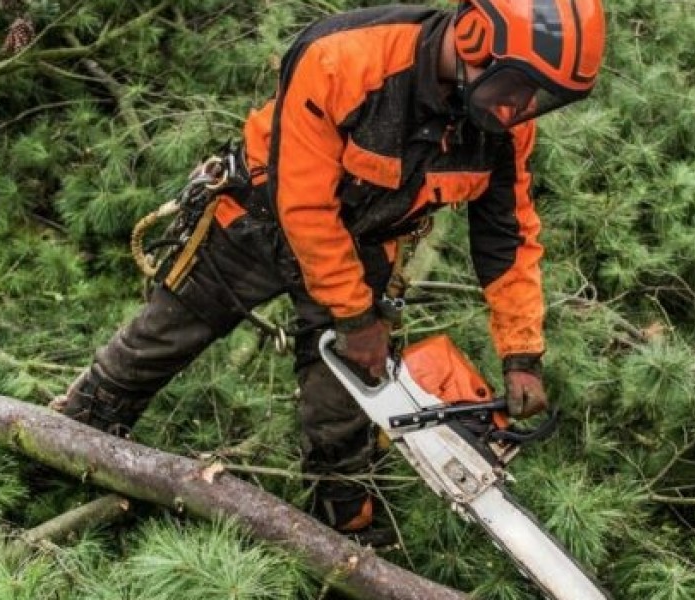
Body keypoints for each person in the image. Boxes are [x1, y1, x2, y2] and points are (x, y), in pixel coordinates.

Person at [51, 0, 606, 534]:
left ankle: (343, 533)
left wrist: (522, 353)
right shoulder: (344, 59)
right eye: (516, 88)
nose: (519, 108)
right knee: (162, 337)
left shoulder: (503, 125)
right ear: (474, 37)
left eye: (537, 98)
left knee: (345, 407)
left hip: (367, 244)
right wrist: (357, 319)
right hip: (259, 216)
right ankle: (65, 442)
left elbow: (507, 238)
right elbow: (306, 209)